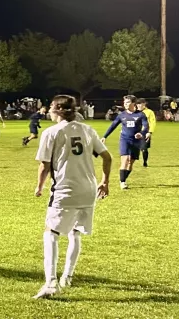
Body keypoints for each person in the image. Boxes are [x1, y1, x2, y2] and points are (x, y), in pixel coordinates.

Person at [32, 95, 112, 299]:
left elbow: (45, 165)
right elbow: (106, 157)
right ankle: (67, 276)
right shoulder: (87, 129)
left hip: (65, 190)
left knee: (51, 233)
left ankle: (51, 283)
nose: (48, 109)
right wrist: (105, 181)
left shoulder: (52, 132)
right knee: (74, 233)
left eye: (50, 106)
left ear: (58, 109)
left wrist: (39, 186)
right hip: (88, 190)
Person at [103, 95, 149, 189]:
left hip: (136, 141)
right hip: (124, 140)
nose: (125, 104)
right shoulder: (122, 115)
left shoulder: (140, 115)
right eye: (124, 102)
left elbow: (146, 126)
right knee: (125, 159)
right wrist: (105, 136)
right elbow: (113, 126)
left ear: (133, 103)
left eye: (127, 102)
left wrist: (141, 133)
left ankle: (123, 177)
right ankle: (122, 182)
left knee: (130, 163)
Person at [135, 100, 156, 168]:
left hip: (144, 133)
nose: (138, 106)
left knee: (144, 149)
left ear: (144, 104)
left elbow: (152, 122)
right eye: (137, 104)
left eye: (140, 104)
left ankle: (145, 162)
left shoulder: (149, 112)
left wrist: (150, 132)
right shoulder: (134, 112)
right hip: (134, 132)